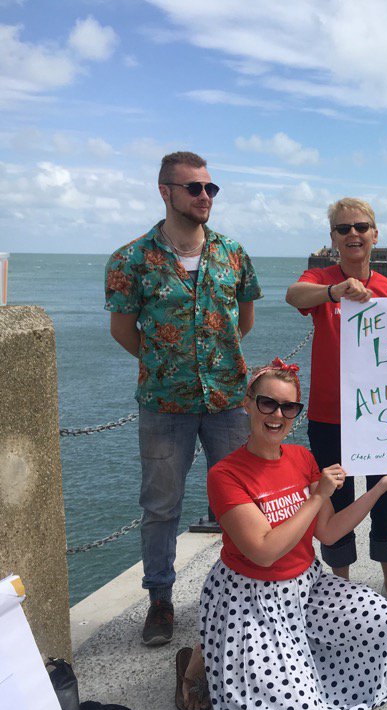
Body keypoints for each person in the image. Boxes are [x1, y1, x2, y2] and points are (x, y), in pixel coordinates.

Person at [176, 359, 387, 710]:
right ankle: (201, 658)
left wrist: (380, 488)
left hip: (305, 586)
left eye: (289, 407)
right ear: (247, 404)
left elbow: (327, 532)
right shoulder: (225, 475)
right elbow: (263, 551)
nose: (278, 415)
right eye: (267, 404)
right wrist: (317, 496)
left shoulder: (302, 458)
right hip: (250, 595)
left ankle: (276, 655)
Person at [105, 151, 262, 646]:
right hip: (163, 406)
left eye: (210, 188)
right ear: (165, 191)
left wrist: (211, 364)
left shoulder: (232, 253)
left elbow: (245, 320)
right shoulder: (130, 260)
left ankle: (245, 592)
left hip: (227, 403)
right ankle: (159, 601)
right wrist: (167, 366)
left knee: (241, 500)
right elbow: (123, 330)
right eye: (193, 188)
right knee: (160, 507)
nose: (204, 197)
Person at [284, 198, 387, 619]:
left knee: (386, 498)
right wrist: (334, 291)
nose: (353, 235)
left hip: (383, 416)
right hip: (331, 416)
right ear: (333, 239)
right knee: (336, 499)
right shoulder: (320, 278)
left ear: (375, 234)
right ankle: (341, 587)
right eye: (343, 229)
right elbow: (294, 295)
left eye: (361, 227)